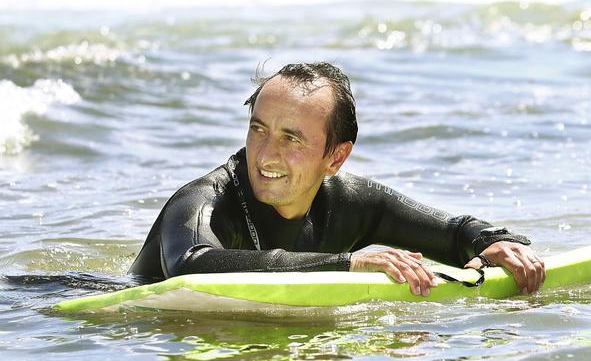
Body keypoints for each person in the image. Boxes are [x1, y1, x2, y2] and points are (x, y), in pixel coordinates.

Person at [130, 62, 545, 296]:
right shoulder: (204, 202)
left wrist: (493, 243)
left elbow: (454, 233)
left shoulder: (349, 204)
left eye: (291, 138)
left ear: (336, 156)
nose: (266, 154)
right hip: (113, 332)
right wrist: (349, 264)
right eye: (259, 129)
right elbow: (191, 267)